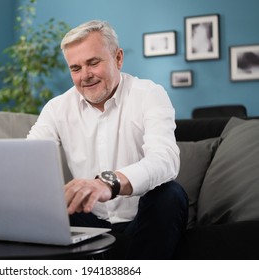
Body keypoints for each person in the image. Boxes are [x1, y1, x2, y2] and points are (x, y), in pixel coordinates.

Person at [27, 20, 188, 259]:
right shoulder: (57, 108)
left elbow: (165, 160)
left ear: (118, 58)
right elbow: (29, 157)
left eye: (93, 63)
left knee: (171, 194)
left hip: (143, 216)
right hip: (90, 219)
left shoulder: (149, 94)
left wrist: (107, 183)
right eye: (76, 68)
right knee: (51, 205)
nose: (85, 76)